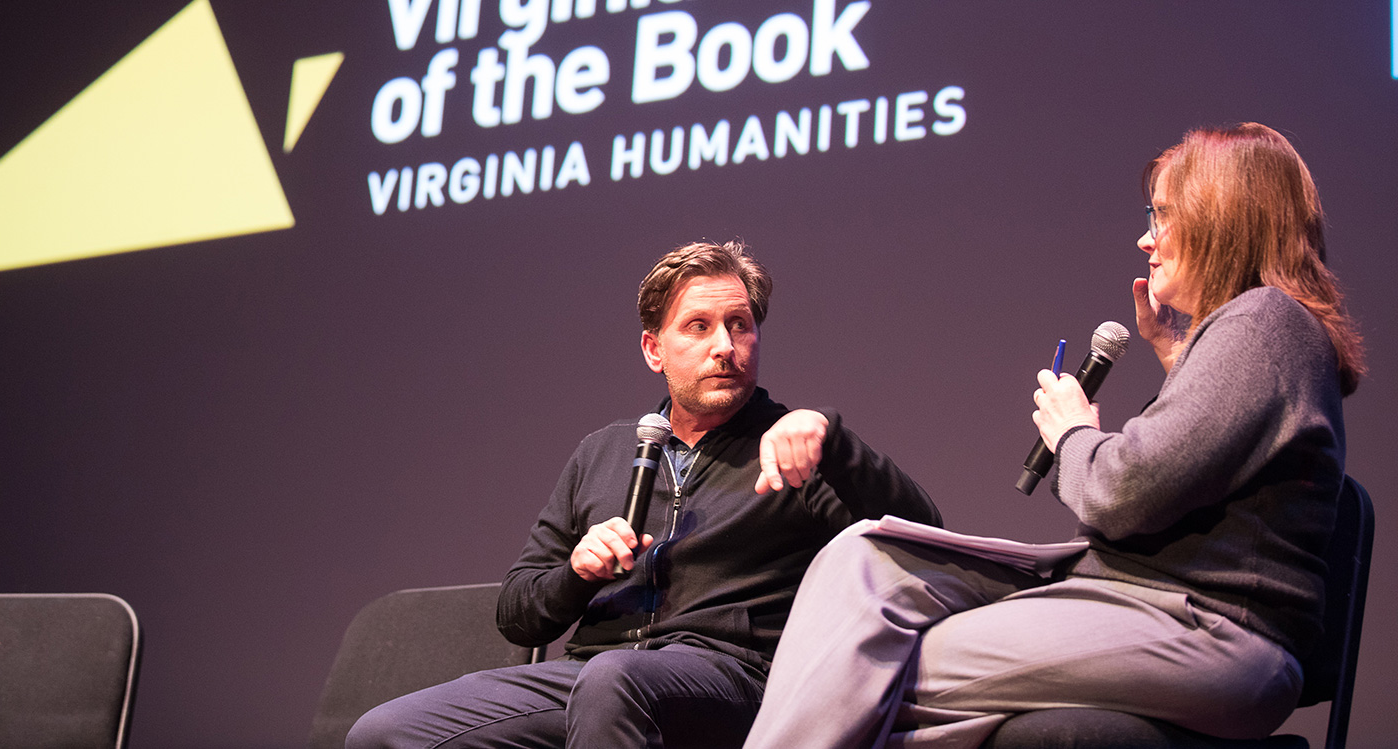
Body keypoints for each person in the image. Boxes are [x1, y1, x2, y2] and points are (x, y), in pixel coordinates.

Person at [741, 123, 1366, 749]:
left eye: (1164, 215)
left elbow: (1122, 494)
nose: (1146, 237)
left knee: (862, 668)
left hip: (1208, 630)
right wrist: (1179, 361)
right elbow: (1204, 472)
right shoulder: (1258, 332)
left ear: (1222, 217)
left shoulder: (1266, 321)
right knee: (864, 558)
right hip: (1146, 608)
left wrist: (1071, 433)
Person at [346, 240, 941, 749]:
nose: (725, 347)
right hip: (591, 674)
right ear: (654, 349)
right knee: (385, 733)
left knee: (615, 681)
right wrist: (578, 572)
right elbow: (519, 613)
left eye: (740, 325)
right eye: (699, 327)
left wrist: (832, 438)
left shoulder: (795, 446)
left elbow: (925, 537)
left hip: (733, 679)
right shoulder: (604, 453)